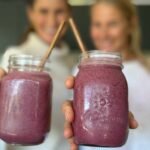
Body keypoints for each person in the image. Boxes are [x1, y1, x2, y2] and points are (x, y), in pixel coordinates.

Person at [62, 0, 150, 150]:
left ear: (131, 23)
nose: (104, 34)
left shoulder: (147, 70)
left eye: (112, 24)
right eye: (97, 24)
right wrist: (71, 113)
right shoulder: (80, 72)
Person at [0, 0, 73, 150]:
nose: (52, 21)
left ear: (68, 14)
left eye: (59, 11)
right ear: (30, 13)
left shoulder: (72, 63)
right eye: (44, 11)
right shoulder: (16, 58)